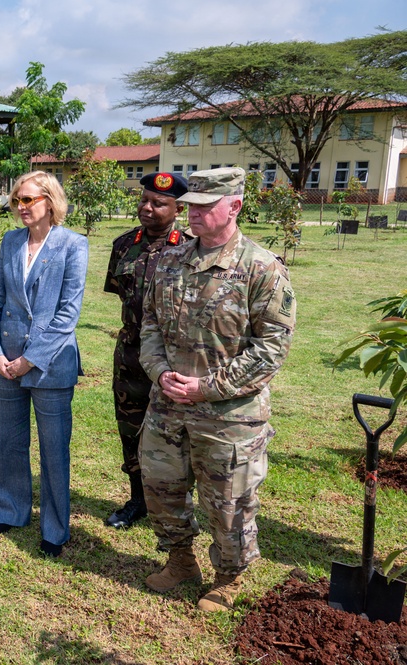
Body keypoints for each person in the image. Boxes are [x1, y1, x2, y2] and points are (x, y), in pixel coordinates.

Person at [139, 167, 296, 611]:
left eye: (207, 208)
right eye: (191, 207)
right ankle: (180, 559)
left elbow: (271, 350)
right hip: (167, 405)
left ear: (235, 207)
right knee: (162, 487)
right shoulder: (170, 260)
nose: (195, 215)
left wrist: (208, 387)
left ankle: (229, 577)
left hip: (230, 416)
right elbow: (149, 324)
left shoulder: (261, 268)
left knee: (229, 503)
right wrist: (158, 372)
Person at [0, 171, 88, 557]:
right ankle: (10, 511)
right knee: (8, 442)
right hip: (6, 359)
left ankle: (55, 529)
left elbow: (67, 314)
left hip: (49, 364)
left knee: (53, 449)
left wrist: (29, 360)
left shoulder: (73, 245)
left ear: (50, 201)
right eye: (17, 201)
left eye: (28, 200)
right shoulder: (10, 241)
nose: (21, 207)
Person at [102, 172, 190, 529]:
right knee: (130, 429)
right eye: (144, 201)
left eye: (159, 203)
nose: (147, 208)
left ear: (178, 208)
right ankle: (137, 499)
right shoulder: (124, 245)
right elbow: (120, 293)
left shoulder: (188, 248)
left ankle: (173, 507)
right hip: (130, 356)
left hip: (174, 358)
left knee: (174, 437)